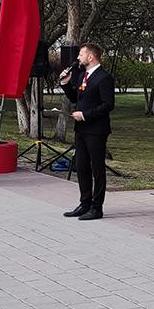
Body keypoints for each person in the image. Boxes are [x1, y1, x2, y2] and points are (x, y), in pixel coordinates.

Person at [60, 43, 115, 220]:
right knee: (81, 166)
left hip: (96, 130)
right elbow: (76, 98)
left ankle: (97, 207)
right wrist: (66, 84)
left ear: (91, 57)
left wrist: (85, 115)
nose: (78, 58)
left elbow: (108, 104)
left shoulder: (104, 78)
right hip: (81, 129)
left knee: (97, 168)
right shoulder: (83, 75)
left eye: (81, 54)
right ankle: (84, 203)